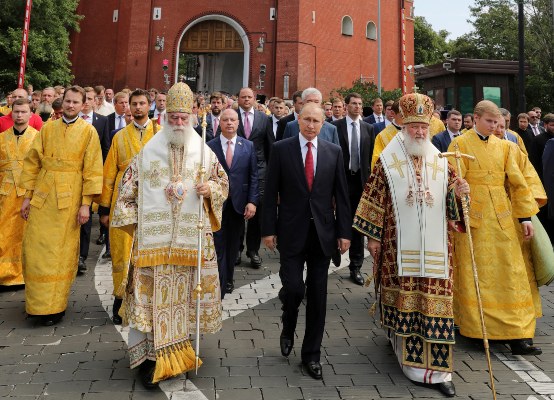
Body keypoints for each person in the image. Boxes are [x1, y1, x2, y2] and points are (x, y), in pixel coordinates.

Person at [110, 81, 228, 388]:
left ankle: (180, 354)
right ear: (165, 117)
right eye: (173, 117)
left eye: (183, 118)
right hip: (154, 247)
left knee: (185, 302)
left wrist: (209, 190)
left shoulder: (204, 151)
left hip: (191, 245)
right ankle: (150, 359)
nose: (178, 123)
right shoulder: (147, 154)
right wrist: (141, 221)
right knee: (153, 304)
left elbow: (223, 185)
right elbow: (124, 195)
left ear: (191, 116)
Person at [354, 93, 469, 397]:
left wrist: (460, 193)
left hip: (437, 250)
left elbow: (454, 203)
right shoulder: (387, 159)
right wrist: (373, 238)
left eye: (424, 127)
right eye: (414, 126)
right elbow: (373, 199)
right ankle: (405, 353)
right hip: (397, 247)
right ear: (404, 126)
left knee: (434, 301)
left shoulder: (441, 161)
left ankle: (438, 371)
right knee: (403, 299)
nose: (419, 132)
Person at [262, 102, 351, 381]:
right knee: (293, 288)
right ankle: (288, 324)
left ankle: (311, 355)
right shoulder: (281, 149)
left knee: (318, 295)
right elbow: (270, 192)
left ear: (323, 124)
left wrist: (344, 232)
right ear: (298, 120)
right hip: (290, 231)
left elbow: (342, 195)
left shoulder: (333, 152)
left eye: (316, 121)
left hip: (322, 234)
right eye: (307, 120)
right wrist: (267, 230)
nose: (311, 125)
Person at [450, 100, 541, 356]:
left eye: (497, 123)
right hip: (473, 218)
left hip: (503, 216)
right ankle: (479, 330)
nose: (494, 127)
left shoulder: (505, 147)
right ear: (476, 118)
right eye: (489, 122)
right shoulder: (459, 144)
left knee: (512, 274)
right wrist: (457, 191)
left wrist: (525, 218)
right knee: (477, 276)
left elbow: (519, 183)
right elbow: (450, 180)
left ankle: (519, 334)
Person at [20, 85, 103, 326]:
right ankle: (35, 305)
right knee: (35, 248)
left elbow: (93, 169)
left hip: (70, 199)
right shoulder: (47, 129)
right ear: (62, 101)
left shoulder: (89, 132)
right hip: (42, 196)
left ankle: (55, 307)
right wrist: (27, 196)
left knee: (60, 253)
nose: (70, 105)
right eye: (67, 101)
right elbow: (32, 162)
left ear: (83, 104)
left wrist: (86, 204)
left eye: (76, 102)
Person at [97, 89, 159, 324]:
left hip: (153, 201)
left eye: (142, 103)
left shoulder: (160, 134)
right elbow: (109, 173)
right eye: (134, 104)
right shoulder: (119, 137)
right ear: (129, 107)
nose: (138, 108)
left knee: (148, 251)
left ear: (149, 105)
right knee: (122, 251)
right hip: (122, 201)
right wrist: (104, 208)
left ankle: (146, 301)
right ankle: (120, 300)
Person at [208, 109, 258, 296]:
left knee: (233, 245)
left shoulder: (248, 146)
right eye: (225, 120)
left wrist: (252, 201)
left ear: (238, 123)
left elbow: (254, 176)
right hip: (216, 204)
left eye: (232, 120)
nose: (229, 123)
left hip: (238, 205)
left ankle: (228, 279)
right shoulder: (209, 146)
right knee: (217, 244)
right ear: (219, 123)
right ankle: (219, 281)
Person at [331, 93, 375, 285]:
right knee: (338, 218)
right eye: (354, 104)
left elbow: (371, 156)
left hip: (361, 181)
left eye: (360, 104)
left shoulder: (368, 128)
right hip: (341, 178)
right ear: (346, 106)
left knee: (358, 224)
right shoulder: (335, 127)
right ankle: (335, 252)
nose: (357, 107)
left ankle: (355, 266)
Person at [0, 99, 39, 286]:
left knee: (26, 235)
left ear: (30, 114)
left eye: (23, 112)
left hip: (28, 192)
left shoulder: (38, 137)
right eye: (16, 112)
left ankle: (23, 274)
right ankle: (4, 274)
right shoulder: (2, 137)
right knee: (4, 234)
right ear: (11, 113)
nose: (19, 115)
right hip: (5, 194)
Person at [236, 87, 271, 269]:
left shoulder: (264, 118)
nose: (247, 100)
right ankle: (236, 249)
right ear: (238, 99)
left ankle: (253, 250)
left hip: (259, 171)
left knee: (256, 213)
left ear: (255, 98)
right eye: (243, 97)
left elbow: (269, 146)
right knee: (237, 211)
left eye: (250, 97)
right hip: (237, 169)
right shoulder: (231, 116)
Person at [78, 87, 111, 273]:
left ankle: (82, 255)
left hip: (92, 175)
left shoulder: (102, 121)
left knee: (87, 215)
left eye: (89, 98)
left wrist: (102, 175)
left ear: (94, 102)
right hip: (71, 175)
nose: (86, 102)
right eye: (84, 98)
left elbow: (106, 148)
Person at [370, 100, 403, 169]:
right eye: (402, 115)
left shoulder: (411, 132)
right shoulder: (382, 136)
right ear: (394, 113)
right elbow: (377, 159)